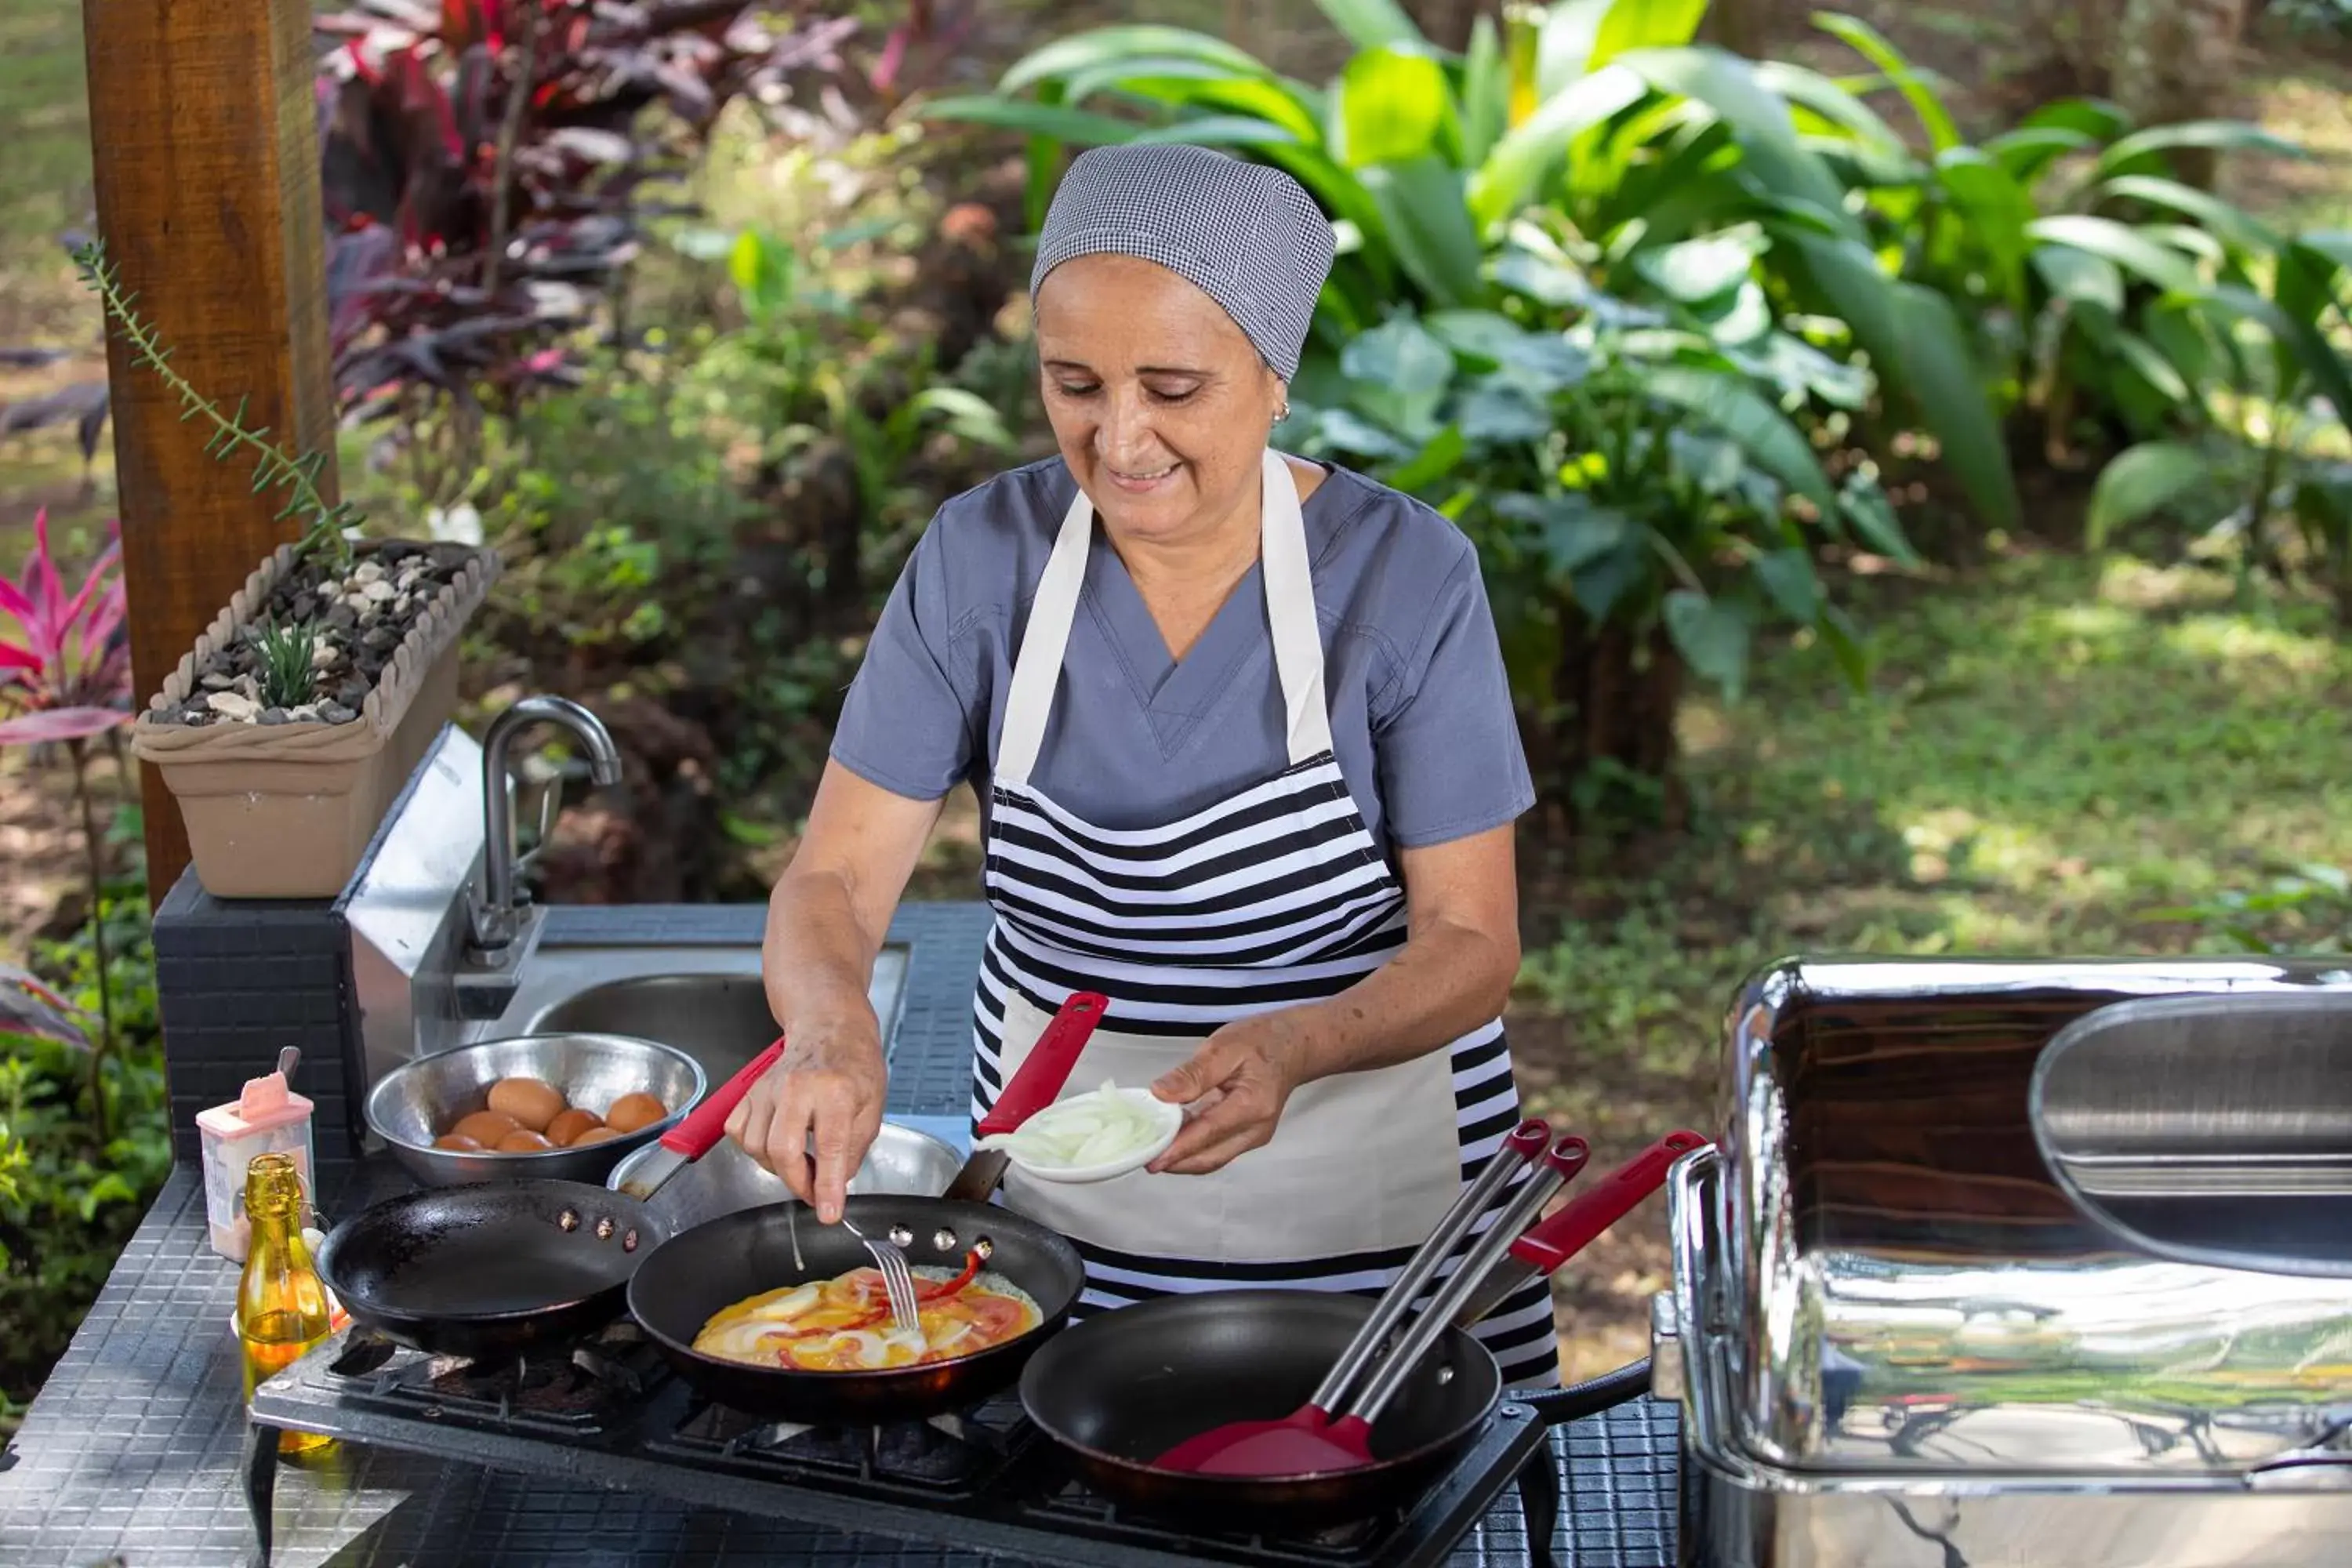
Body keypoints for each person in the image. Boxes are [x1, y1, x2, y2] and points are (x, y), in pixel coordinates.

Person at [724, 142, 1559, 1386]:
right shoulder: (980, 560)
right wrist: (832, 1029)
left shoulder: (1407, 579)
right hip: (1068, 1228)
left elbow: (1471, 944)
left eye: (1173, 387)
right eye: (1075, 384)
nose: (1120, 440)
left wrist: (1295, 1046)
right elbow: (834, 883)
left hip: (1371, 1243)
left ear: (1276, 378)